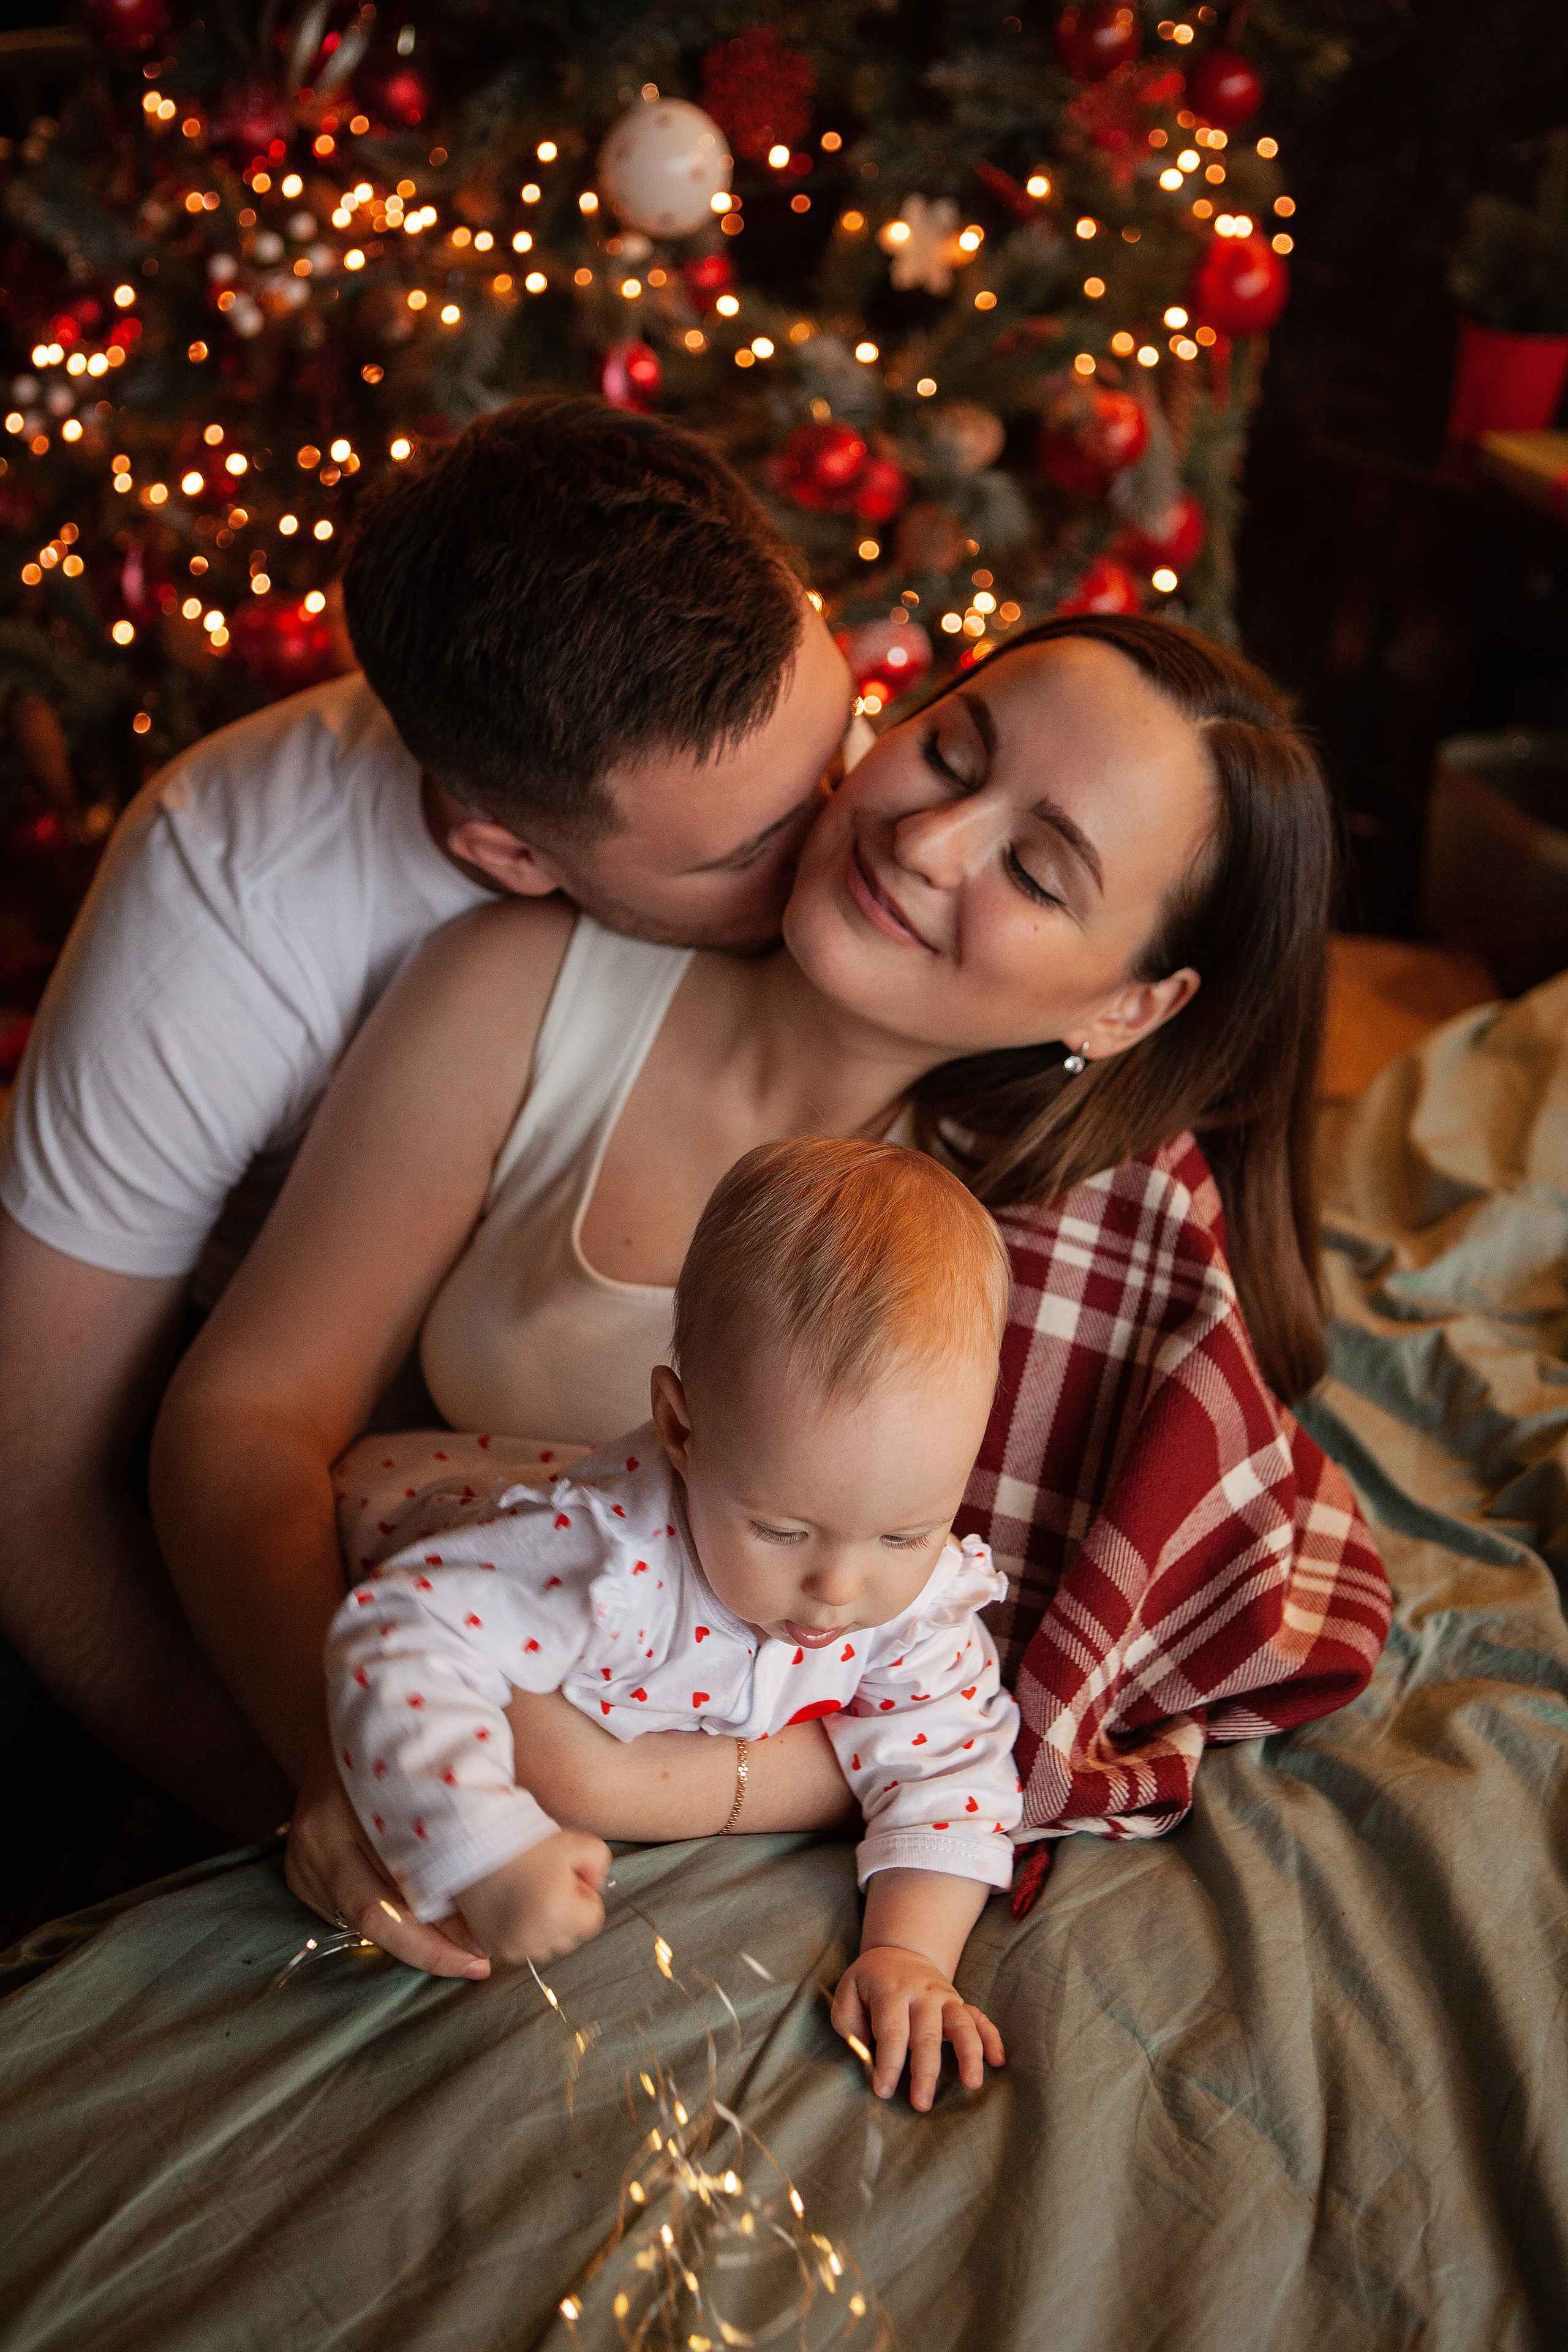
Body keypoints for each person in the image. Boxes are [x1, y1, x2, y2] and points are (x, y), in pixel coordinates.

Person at [150, 609, 1373, 1985]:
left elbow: (990, 1702)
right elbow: (247, 1416)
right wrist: (340, 1762)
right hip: (416, 1712)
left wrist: (621, 1785)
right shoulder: (528, 995)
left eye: (1035, 870)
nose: (927, 841)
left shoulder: (1049, 1246)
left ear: (1126, 1011)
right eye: (950, 753)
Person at [0, 397, 863, 1833]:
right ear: (506, 854)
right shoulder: (228, 906)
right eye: (751, 851)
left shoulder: (799, 795)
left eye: (835, 744)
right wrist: (335, 1810)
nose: (844, 838)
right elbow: (30, 1482)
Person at [326, 1137, 1020, 2112]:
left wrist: (911, 1951)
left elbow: (951, 1769)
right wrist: (481, 1844)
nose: (838, 1587)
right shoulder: (604, 1561)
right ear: (682, 1428)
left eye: (906, 1532)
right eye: (782, 1530)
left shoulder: (921, 1598)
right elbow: (398, 1635)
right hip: (399, 1522)